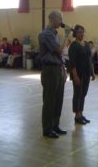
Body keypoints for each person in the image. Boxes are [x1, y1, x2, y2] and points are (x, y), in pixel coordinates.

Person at [38, 10, 71, 138]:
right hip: (50, 70)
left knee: (58, 100)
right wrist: (67, 35)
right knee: (50, 101)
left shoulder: (55, 34)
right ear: (52, 19)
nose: (61, 22)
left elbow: (61, 54)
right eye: (60, 19)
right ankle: (47, 128)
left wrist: (63, 69)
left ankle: (55, 125)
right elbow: (59, 50)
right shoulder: (46, 34)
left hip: (58, 68)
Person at [69, 25, 95, 125]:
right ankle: (77, 115)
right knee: (77, 94)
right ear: (75, 33)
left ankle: (81, 113)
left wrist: (92, 72)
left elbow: (90, 60)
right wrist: (75, 76)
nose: (81, 33)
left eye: (82, 31)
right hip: (78, 74)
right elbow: (72, 63)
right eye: (79, 32)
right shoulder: (74, 45)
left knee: (83, 93)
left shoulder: (87, 44)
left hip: (86, 73)